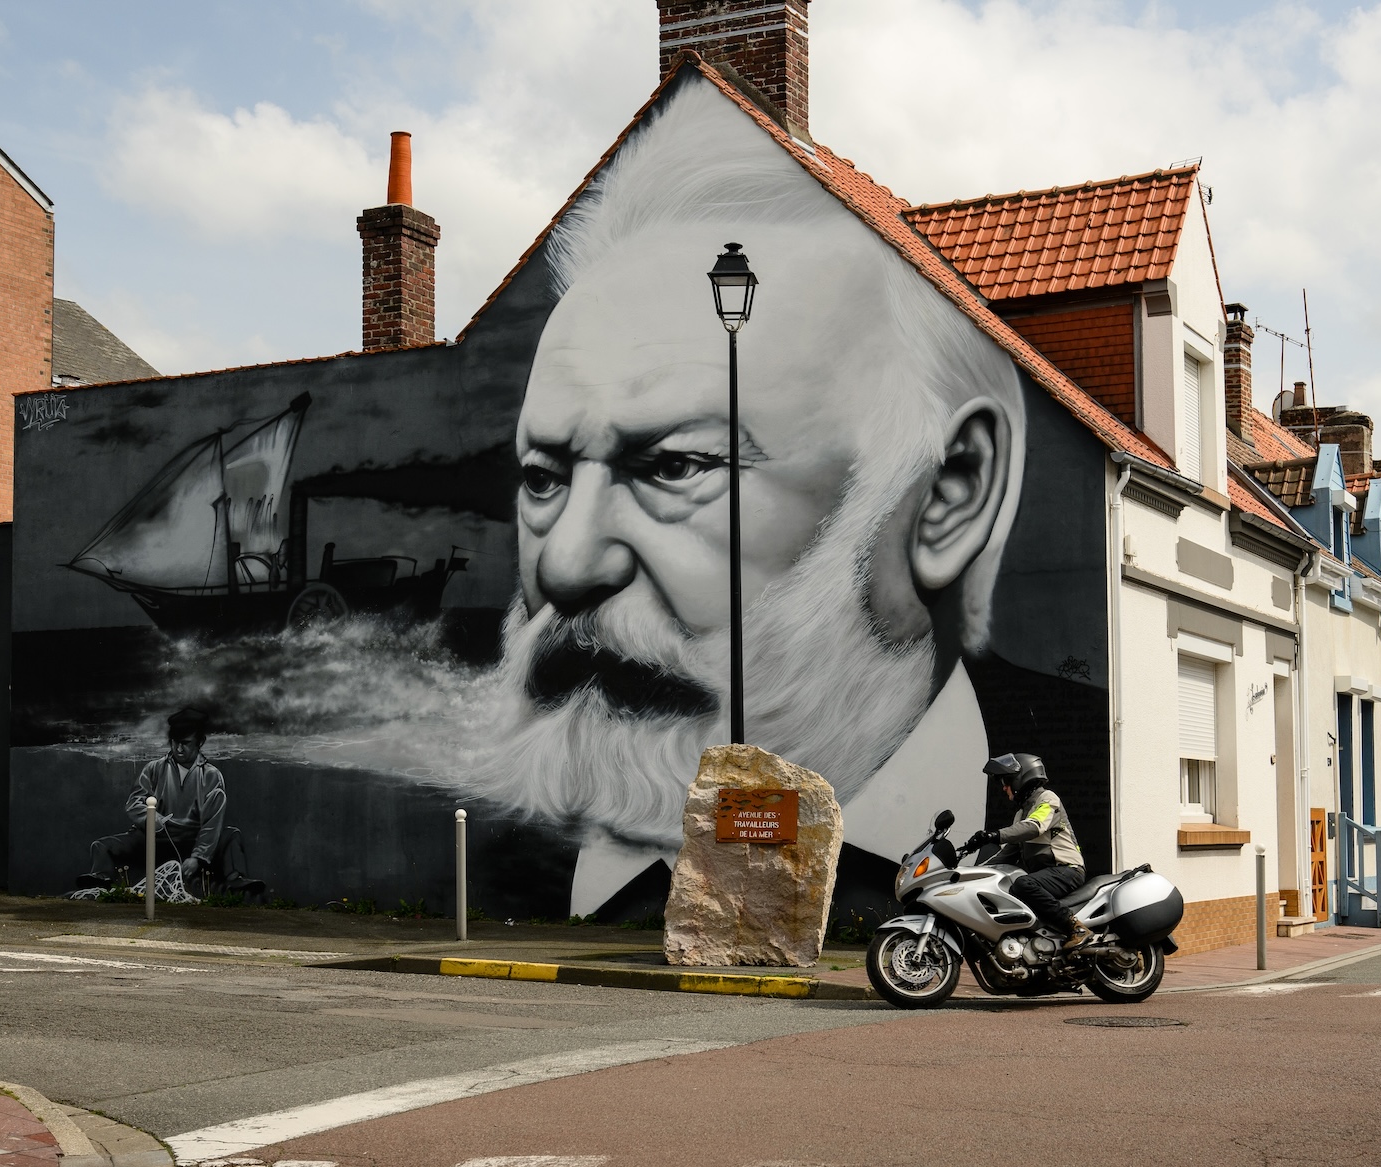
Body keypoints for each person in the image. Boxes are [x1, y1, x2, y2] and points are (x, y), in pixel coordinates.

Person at [453, 75, 1025, 914]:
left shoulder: (1029, 781)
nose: (566, 566)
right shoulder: (495, 859)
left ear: (949, 494)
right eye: (543, 479)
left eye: (676, 467)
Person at [80, 706, 252, 895]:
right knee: (102, 846)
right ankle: (100, 877)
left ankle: (237, 879)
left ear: (200, 742)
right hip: (153, 837)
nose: (179, 749)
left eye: (185, 743)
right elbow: (134, 802)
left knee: (231, 835)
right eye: (175, 742)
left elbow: (212, 823)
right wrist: (150, 818)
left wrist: (198, 856)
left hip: (191, 838)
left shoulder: (211, 776)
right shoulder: (154, 769)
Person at [967, 753, 1090, 947]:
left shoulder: (1047, 799)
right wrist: (970, 873)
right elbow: (1006, 855)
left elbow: (1035, 826)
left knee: (1023, 885)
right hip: (1048, 873)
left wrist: (993, 835)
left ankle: (1075, 927)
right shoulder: (1021, 813)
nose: (1004, 788)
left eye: (1007, 782)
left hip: (1067, 870)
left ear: (1020, 779)